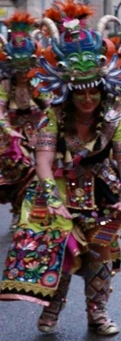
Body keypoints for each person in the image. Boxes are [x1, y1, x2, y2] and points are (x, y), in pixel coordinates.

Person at [0, 0, 121, 335]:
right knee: (61, 258)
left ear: (102, 89)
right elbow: (44, 162)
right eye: (80, 94)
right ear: (68, 92)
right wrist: (52, 199)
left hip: (101, 197)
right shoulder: (53, 117)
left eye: (93, 92)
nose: (88, 99)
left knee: (99, 257)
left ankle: (98, 314)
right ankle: (51, 313)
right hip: (60, 195)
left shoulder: (112, 120)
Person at [0, 12, 47, 222]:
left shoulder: (35, 83)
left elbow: (49, 104)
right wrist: (8, 130)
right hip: (14, 135)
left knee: (38, 172)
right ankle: (17, 211)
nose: (21, 74)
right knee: (17, 175)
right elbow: (0, 110)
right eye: (17, 70)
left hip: (36, 131)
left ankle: (30, 212)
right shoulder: (5, 85)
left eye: (24, 69)